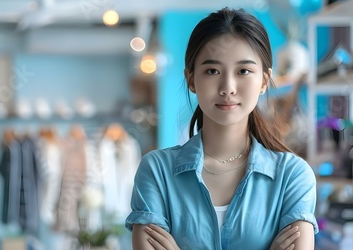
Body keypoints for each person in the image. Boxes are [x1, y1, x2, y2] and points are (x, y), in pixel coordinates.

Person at [125, 7, 318, 249]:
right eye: (212, 71)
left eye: (244, 71)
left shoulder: (292, 177)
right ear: (192, 79)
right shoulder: (156, 171)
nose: (228, 87)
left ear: (264, 81)